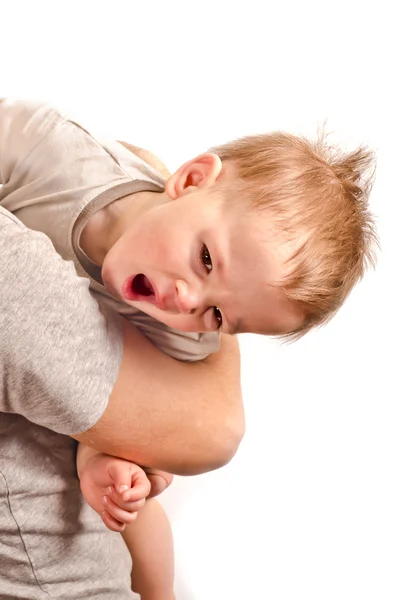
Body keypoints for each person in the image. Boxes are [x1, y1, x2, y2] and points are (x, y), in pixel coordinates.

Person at [0, 98, 377, 598]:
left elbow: (120, 422)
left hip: (64, 444)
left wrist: (103, 466)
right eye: (204, 259)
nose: (186, 300)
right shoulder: (60, 157)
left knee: (142, 516)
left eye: (219, 315)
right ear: (191, 180)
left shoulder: (182, 339)